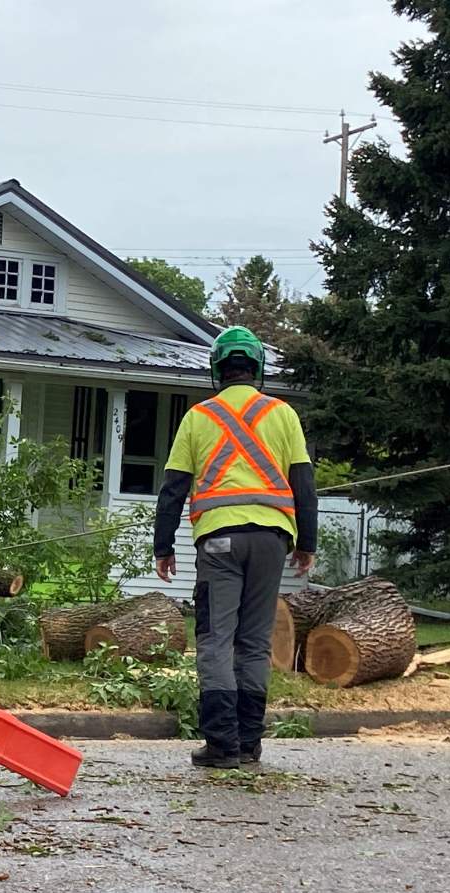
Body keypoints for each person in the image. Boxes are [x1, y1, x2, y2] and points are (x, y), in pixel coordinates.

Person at [154, 326, 317, 768]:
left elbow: (173, 489)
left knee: (215, 639)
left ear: (218, 370)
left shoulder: (198, 417)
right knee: (254, 642)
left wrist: (162, 547)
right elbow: (303, 482)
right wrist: (307, 542)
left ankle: (221, 745)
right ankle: (249, 743)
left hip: (219, 542)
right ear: (257, 368)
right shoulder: (283, 414)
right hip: (271, 540)